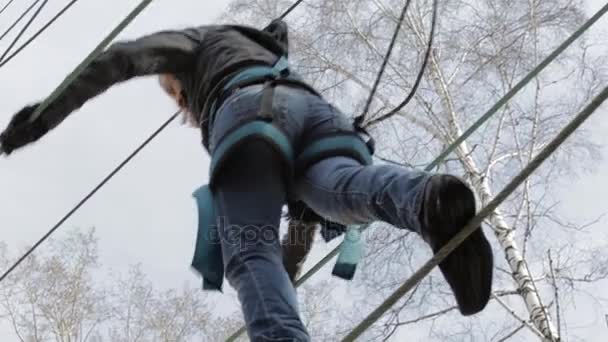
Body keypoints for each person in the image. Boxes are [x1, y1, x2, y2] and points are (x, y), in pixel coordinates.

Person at [0, 19, 493, 341]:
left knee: (246, 249)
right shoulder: (269, 56)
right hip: (319, 118)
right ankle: (429, 200)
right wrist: (286, 271)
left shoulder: (198, 45)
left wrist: (45, 115)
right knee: (341, 190)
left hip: (250, 117)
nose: (184, 109)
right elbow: (301, 226)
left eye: (178, 98)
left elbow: (123, 57)